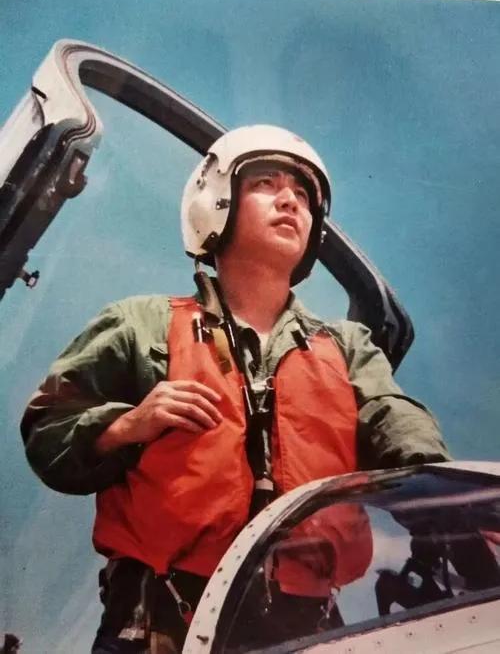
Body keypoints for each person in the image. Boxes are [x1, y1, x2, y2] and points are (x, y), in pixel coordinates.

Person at [21, 125, 450, 653]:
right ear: (217, 200)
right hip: (159, 627)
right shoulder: (141, 325)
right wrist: (127, 424)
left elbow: (394, 419)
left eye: (303, 195)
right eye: (266, 183)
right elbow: (47, 428)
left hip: (308, 632)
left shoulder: (346, 348)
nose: (290, 201)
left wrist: (451, 495)